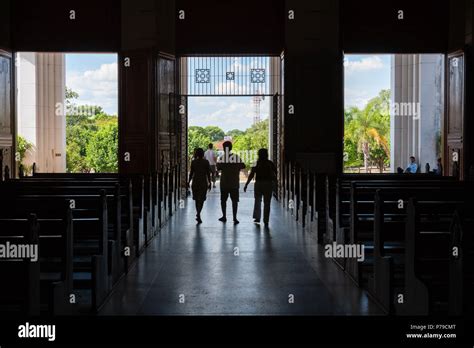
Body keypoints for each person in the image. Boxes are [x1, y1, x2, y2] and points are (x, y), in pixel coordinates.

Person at [244, 148, 277, 227]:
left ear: (259, 155)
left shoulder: (256, 163)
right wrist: (276, 183)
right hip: (268, 184)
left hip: (258, 184)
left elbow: (252, 174)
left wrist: (246, 184)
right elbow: (275, 173)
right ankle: (266, 220)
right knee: (267, 203)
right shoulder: (270, 163)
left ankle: (257, 218)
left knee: (257, 201)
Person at [216, 141, 245, 224]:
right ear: (231, 148)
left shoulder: (222, 158)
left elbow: (218, 168)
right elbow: (243, 165)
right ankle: (234, 218)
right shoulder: (236, 157)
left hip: (224, 183)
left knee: (223, 200)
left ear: (224, 149)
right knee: (234, 201)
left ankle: (224, 216)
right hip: (234, 183)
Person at [188, 148, 211, 224]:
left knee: (197, 199)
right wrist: (210, 183)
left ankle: (198, 213)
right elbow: (208, 173)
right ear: (203, 154)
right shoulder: (206, 162)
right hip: (203, 182)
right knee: (201, 199)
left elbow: (191, 173)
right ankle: (198, 213)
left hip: (195, 182)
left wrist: (188, 181)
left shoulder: (193, 162)